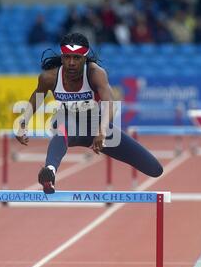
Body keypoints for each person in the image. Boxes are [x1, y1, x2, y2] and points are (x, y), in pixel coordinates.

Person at [16, 32, 163, 193]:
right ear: (62, 57)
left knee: (155, 169)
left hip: (96, 126)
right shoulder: (49, 78)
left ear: (85, 58)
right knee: (62, 128)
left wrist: (102, 130)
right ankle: (49, 172)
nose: (71, 63)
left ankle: (52, 168)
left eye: (77, 58)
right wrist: (23, 122)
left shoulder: (95, 74)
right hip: (68, 124)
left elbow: (109, 103)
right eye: (67, 57)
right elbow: (37, 98)